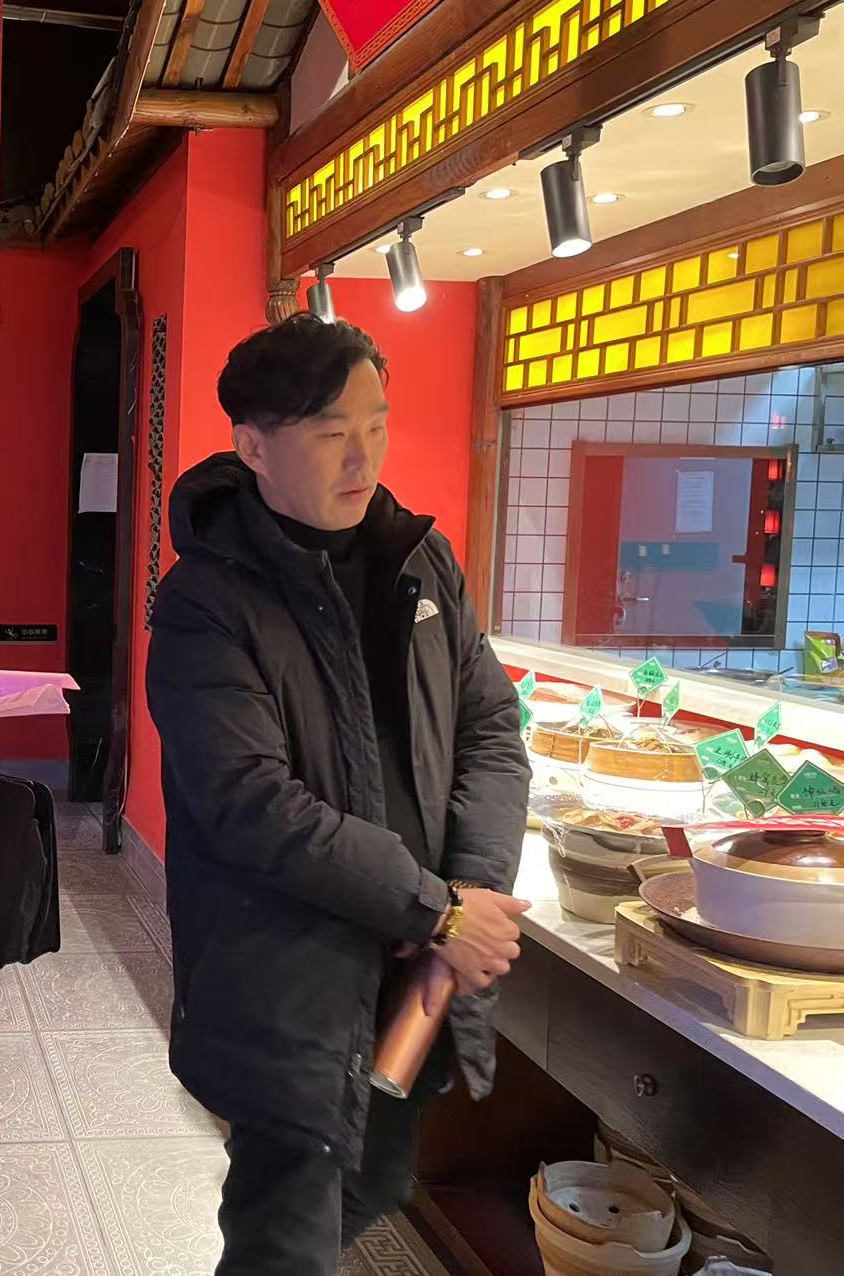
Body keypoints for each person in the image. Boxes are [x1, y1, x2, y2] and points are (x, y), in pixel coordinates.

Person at [146, 314, 532, 1275]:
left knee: (382, 1180)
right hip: (291, 979)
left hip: (412, 959)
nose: (363, 458)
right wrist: (437, 909)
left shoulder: (420, 560)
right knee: (285, 1233)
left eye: (377, 425)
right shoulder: (206, 601)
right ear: (254, 447)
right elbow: (249, 801)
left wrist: (468, 892)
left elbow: (491, 726)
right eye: (330, 434)